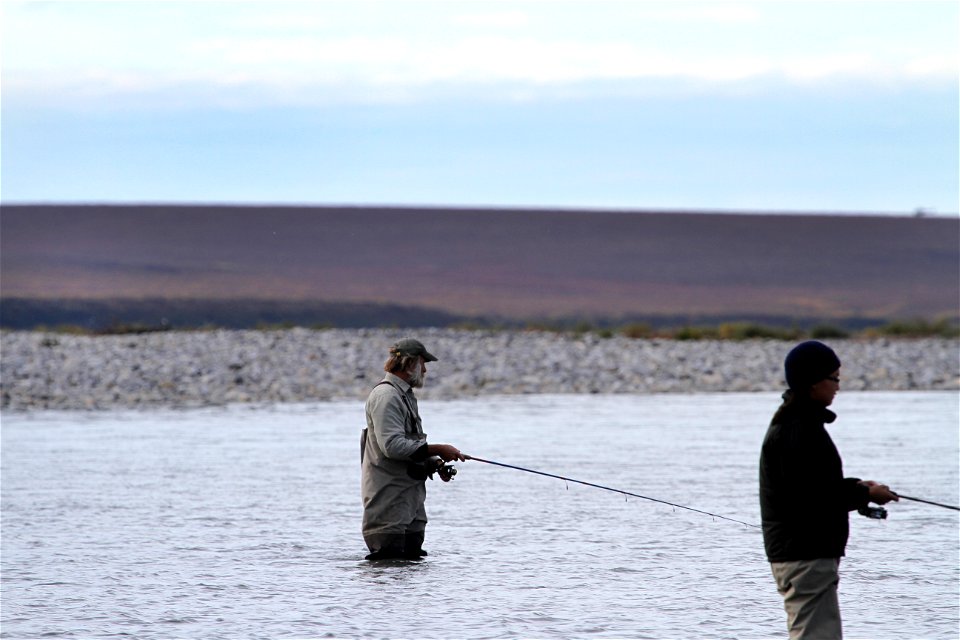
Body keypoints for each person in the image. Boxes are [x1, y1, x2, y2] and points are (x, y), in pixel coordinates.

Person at [759, 340, 898, 639]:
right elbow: (810, 498)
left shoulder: (797, 424)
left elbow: (815, 487)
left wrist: (857, 487)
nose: (837, 387)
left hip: (803, 553)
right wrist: (865, 495)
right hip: (804, 555)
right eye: (833, 378)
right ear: (812, 382)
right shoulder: (797, 430)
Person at [360, 338, 467, 560]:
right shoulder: (386, 397)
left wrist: (434, 463)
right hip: (389, 504)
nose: (425, 370)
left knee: (412, 571)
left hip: (410, 504)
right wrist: (438, 448)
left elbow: (408, 447)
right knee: (389, 571)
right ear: (409, 364)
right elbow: (392, 447)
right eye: (422, 363)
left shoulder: (404, 395)